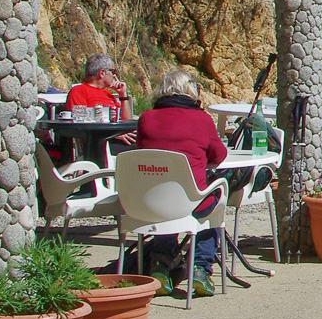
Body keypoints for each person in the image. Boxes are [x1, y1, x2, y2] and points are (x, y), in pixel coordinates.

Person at [133, 70, 230, 298]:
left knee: (166, 199)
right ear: (191, 91)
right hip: (189, 203)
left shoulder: (146, 118)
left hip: (151, 200)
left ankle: (160, 266)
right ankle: (199, 269)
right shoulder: (201, 119)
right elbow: (219, 156)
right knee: (211, 203)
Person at [65, 53, 137, 145]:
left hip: (119, 137)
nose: (114, 76)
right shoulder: (78, 91)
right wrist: (113, 134)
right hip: (101, 141)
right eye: (113, 71)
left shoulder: (108, 94)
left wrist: (123, 95)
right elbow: (80, 125)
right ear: (102, 73)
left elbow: (127, 122)